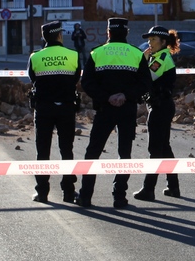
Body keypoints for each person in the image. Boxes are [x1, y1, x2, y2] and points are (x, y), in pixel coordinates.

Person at [78, 17, 149, 209]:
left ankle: (85, 196)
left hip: (104, 109)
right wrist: (125, 95)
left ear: (108, 33)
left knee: (93, 152)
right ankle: (119, 197)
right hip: (127, 109)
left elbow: (87, 83)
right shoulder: (136, 53)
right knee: (124, 153)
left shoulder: (97, 52)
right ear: (126, 32)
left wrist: (107, 97)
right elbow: (145, 82)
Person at [27, 21, 82, 204]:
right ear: (59, 35)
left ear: (44, 37)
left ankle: (42, 192)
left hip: (43, 108)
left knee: (42, 151)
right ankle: (68, 192)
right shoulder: (73, 55)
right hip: (66, 107)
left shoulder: (35, 57)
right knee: (67, 150)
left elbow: (33, 78)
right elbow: (75, 78)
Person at [133, 25, 181, 202]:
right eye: (148, 39)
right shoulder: (156, 56)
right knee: (164, 147)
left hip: (161, 107)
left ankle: (148, 189)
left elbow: (148, 77)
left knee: (155, 149)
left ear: (163, 42)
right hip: (159, 105)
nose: (149, 42)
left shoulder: (161, 57)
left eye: (153, 39)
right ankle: (173, 186)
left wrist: (142, 60)